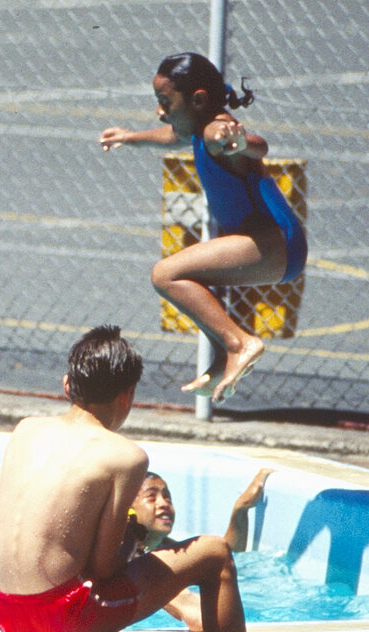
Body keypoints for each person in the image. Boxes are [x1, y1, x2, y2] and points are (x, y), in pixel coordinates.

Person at [0, 325, 310, 632]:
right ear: (127, 396)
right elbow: (102, 568)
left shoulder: (25, 430)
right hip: (61, 617)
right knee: (214, 553)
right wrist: (132, 538)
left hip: (1, 606)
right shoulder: (126, 455)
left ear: (67, 385)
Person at [99, 52, 307, 403]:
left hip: (274, 242)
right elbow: (173, 136)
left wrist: (243, 143)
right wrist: (130, 136)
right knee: (192, 284)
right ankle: (224, 355)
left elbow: (257, 145)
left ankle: (240, 343)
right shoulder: (198, 126)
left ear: (197, 99)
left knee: (166, 275)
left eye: (166, 102)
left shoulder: (215, 131)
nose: (160, 111)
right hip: (275, 244)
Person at [131, 467, 274, 632]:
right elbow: (199, 617)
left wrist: (241, 509)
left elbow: (226, 557)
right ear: (129, 509)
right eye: (151, 497)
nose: (164, 503)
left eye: (167, 496)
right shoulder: (131, 557)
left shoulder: (169, 548)